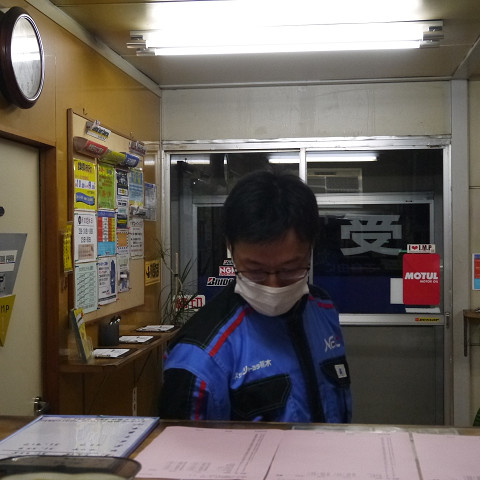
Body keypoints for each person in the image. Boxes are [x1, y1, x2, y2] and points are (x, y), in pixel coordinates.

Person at [159, 170, 352, 423]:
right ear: (231, 248)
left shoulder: (322, 308)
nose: (273, 285)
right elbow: (183, 447)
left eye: (290, 269)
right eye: (256, 271)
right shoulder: (200, 356)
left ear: (310, 249)